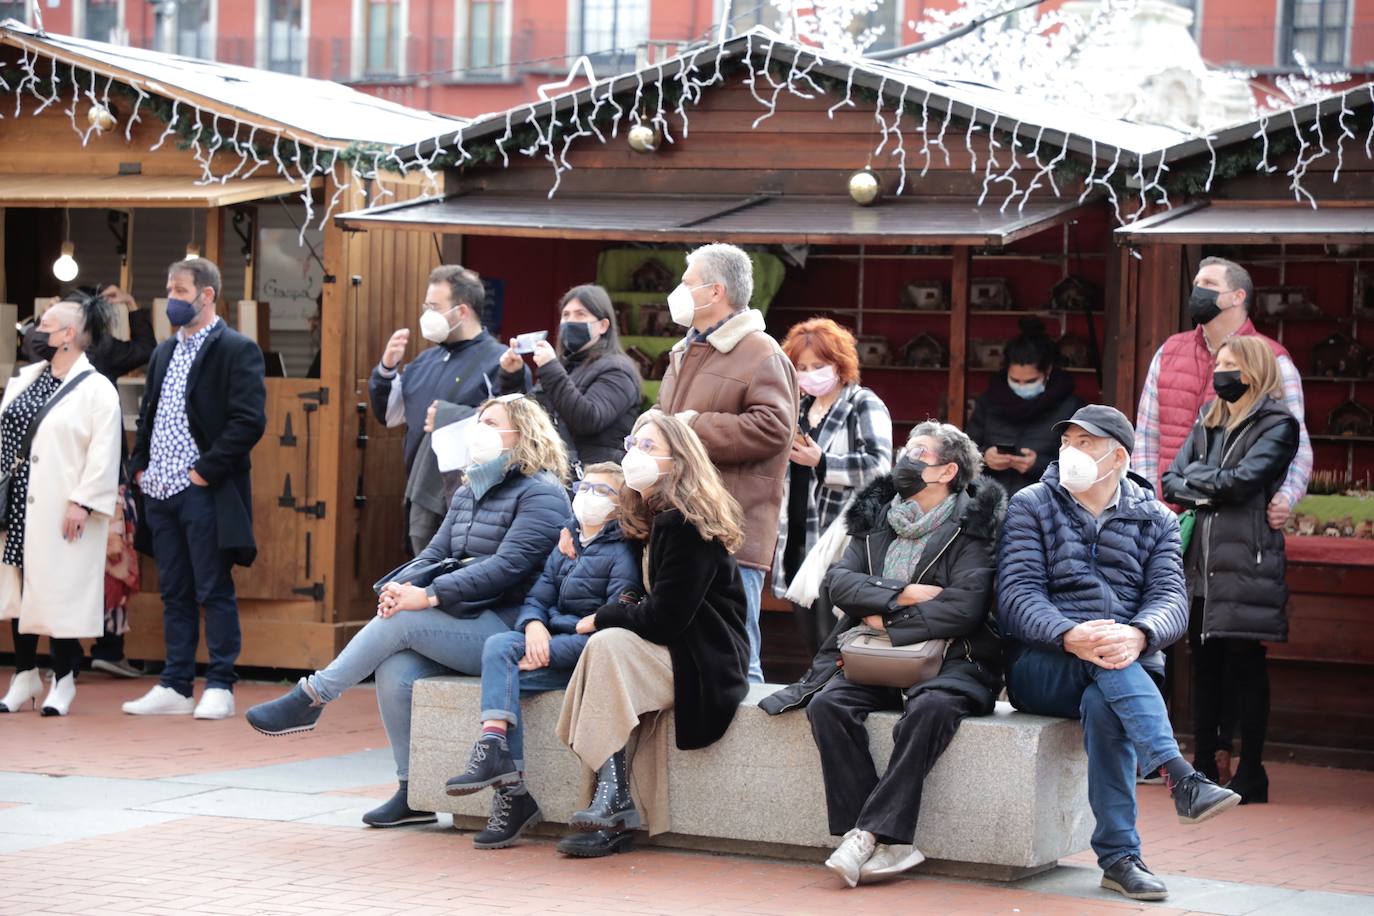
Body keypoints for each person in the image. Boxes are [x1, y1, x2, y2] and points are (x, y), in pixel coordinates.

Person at [245, 395, 571, 829]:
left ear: (523, 434)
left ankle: (313, 696)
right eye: (478, 420)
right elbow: (434, 552)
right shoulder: (471, 486)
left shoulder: (543, 494)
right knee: (395, 666)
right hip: (463, 617)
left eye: (491, 422)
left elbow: (506, 568)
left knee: (403, 622)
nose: (479, 429)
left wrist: (429, 597)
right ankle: (411, 791)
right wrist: (403, 588)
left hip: (507, 629)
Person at [999, 404, 1240, 902]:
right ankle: (1181, 778)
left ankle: (1120, 859)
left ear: (1118, 457)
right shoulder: (1031, 504)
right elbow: (1017, 596)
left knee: (1107, 697)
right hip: (1042, 665)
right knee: (1105, 662)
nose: (1071, 452)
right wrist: (1069, 633)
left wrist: (1140, 633)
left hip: (1120, 663)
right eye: (1067, 441)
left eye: (1085, 443)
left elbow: (1172, 599)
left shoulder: (1156, 519)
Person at [761, 422, 1005, 886]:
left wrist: (882, 617)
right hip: (873, 657)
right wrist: (907, 593)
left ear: (947, 471)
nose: (904, 461)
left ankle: (868, 834)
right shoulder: (876, 516)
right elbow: (840, 584)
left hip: (954, 659)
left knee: (931, 708)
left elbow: (965, 606)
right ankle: (884, 839)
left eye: (918, 454)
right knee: (829, 704)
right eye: (905, 450)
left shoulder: (975, 527)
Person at [553, 412, 749, 857]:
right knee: (608, 649)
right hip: (672, 647)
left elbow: (665, 619)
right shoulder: (650, 513)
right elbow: (638, 593)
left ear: (677, 461)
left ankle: (614, 800)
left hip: (704, 658)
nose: (634, 455)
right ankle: (613, 801)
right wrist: (571, 530)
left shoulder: (686, 523)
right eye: (632, 444)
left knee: (606, 642)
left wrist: (605, 616)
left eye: (648, 447)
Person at [441, 462, 642, 849]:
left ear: (620, 505)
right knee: (499, 649)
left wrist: (550, 651)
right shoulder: (565, 547)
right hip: (546, 644)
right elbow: (537, 597)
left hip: (586, 659)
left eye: (604, 492)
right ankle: (497, 755)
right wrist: (533, 624)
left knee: (505, 681)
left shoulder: (623, 554)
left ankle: (511, 793)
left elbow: (611, 630)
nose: (590, 497)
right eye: (586, 487)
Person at [123, 259, 267, 721]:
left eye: (181, 290)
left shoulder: (236, 349)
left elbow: (249, 421)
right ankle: (176, 683)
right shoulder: (165, 351)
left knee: (213, 588)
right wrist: (139, 468)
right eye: (169, 289)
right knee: (174, 591)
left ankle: (221, 683)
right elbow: (149, 416)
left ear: (206, 295)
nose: (172, 298)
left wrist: (204, 471)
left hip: (202, 489)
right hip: (159, 491)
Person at [1162, 338, 1297, 805]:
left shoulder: (1278, 424)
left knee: (1244, 666)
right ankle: (1203, 764)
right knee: (1203, 664)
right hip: (1202, 562)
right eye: (1217, 363)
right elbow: (1170, 480)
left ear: (1253, 370)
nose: (1219, 372)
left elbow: (1244, 482)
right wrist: (1207, 488)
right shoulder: (1208, 417)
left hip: (1247, 562)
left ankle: (1251, 769)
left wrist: (1201, 485)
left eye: (1228, 364)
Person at [656, 243, 796, 683]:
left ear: (715, 292)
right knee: (681, 650)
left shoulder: (761, 351)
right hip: (679, 526)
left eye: (686, 283)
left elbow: (774, 429)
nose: (677, 291)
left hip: (733, 529)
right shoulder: (683, 352)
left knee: (739, 656)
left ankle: (747, 753)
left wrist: (691, 427)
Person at [0, 296, 122, 717]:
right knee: (21, 588)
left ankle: (64, 677)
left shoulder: (97, 389)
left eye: (45, 325)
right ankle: (24, 673)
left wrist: (84, 502)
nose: (36, 332)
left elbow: (105, 452)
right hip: (18, 501)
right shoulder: (27, 377)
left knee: (59, 591)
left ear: (68, 335)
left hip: (62, 506)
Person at [1133, 256, 1311, 528]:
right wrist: (1149, 501)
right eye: (1196, 283)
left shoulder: (1272, 360)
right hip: (1165, 517)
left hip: (1234, 520)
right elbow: (1146, 437)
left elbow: (1297, 443)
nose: (1198, 290)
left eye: (1209, 283)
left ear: (1237, 297)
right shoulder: (1168, 352)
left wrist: (1286, 497)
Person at [369, 265, 517, 554]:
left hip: (474, 501)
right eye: (426, 306)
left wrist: (451, 417)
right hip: (418, 491)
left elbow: (513, 427)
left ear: (461, 311)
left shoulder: (499, 361)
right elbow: (390, 415)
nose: (427, 314)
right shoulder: (424, 360)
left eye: (435, 307)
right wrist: (386, 369)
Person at [771, 318, 892, 655]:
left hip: (839, 539)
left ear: (840, 364)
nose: (809, 373)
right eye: (801, 367)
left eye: (818, 365)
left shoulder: (862, 403)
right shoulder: (799, 408)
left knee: (834, 637)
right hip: (796, 534)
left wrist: (823, 462)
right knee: (809, 636)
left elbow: (881, 467)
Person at [86, 284, 157, 679]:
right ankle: (109, 646)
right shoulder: (103, 350)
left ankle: (64, 654)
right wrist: (132, 306)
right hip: (107, 476)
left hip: (64, 478)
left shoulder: (44, 353)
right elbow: (147, 349)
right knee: (113, 559)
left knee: (73, 563)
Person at [498, 284, 642, 472]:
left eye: (580, 314)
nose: (570, 321)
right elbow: (530, 418)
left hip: (596, 479)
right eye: (566, 315)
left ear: (603, 325)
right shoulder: (562, 366)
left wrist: (550, 368)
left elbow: (588, 419)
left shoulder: (618, 370)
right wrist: (513, 376)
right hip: (554, 471)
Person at [966, 318, 1082, 496]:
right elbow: (966, 450)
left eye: (1030, 381)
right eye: (1015, 380)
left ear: (1048, 371)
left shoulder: (1071, 408)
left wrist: (1039, 465)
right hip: (988, 504)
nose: (1021, 386)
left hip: (1043, 505)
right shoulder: (989, 401)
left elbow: (1081, 465)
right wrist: (985, 458)